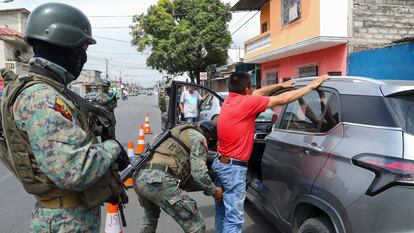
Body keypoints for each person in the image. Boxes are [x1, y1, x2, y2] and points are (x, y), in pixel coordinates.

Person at [0, 3, 129, 232]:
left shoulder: (52, 90)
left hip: (67, 217)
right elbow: (73, 171)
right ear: (64, 43)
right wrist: (112, 148)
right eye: (83, 47)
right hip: (66, 222)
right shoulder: (43, 97)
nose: (84, 56)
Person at [212, 72, 329, 233]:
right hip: (233, 170)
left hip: (220, 164)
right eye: (251, 88)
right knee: (234, 219)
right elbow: (283, 99)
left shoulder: (230, 100)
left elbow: (259, 93)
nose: (253, 90)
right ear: (247, 89)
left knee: (222, 211)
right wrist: (312, 86)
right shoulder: (247, 103)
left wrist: (280, 85)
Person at [133, 120, 224, 233]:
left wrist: (207, 187)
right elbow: (199, 173)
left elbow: (185, 181)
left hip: (139, 177)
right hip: (158, 179)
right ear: (210, 137)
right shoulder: (198, 138)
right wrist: (214, 192)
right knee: (196, 225)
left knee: (150, 218)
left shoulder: (173, 133)